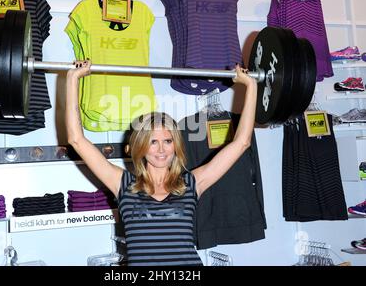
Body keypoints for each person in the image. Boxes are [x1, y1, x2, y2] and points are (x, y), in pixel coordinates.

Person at [66, 60, 257, 266]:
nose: (161, 149)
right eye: (153, 142)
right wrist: (72, 79)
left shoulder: (191, 183)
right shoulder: (123, 184)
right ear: (141, 146)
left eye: (168, 141)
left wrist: (251, 86)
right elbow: (76, 139)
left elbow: (242, 142)